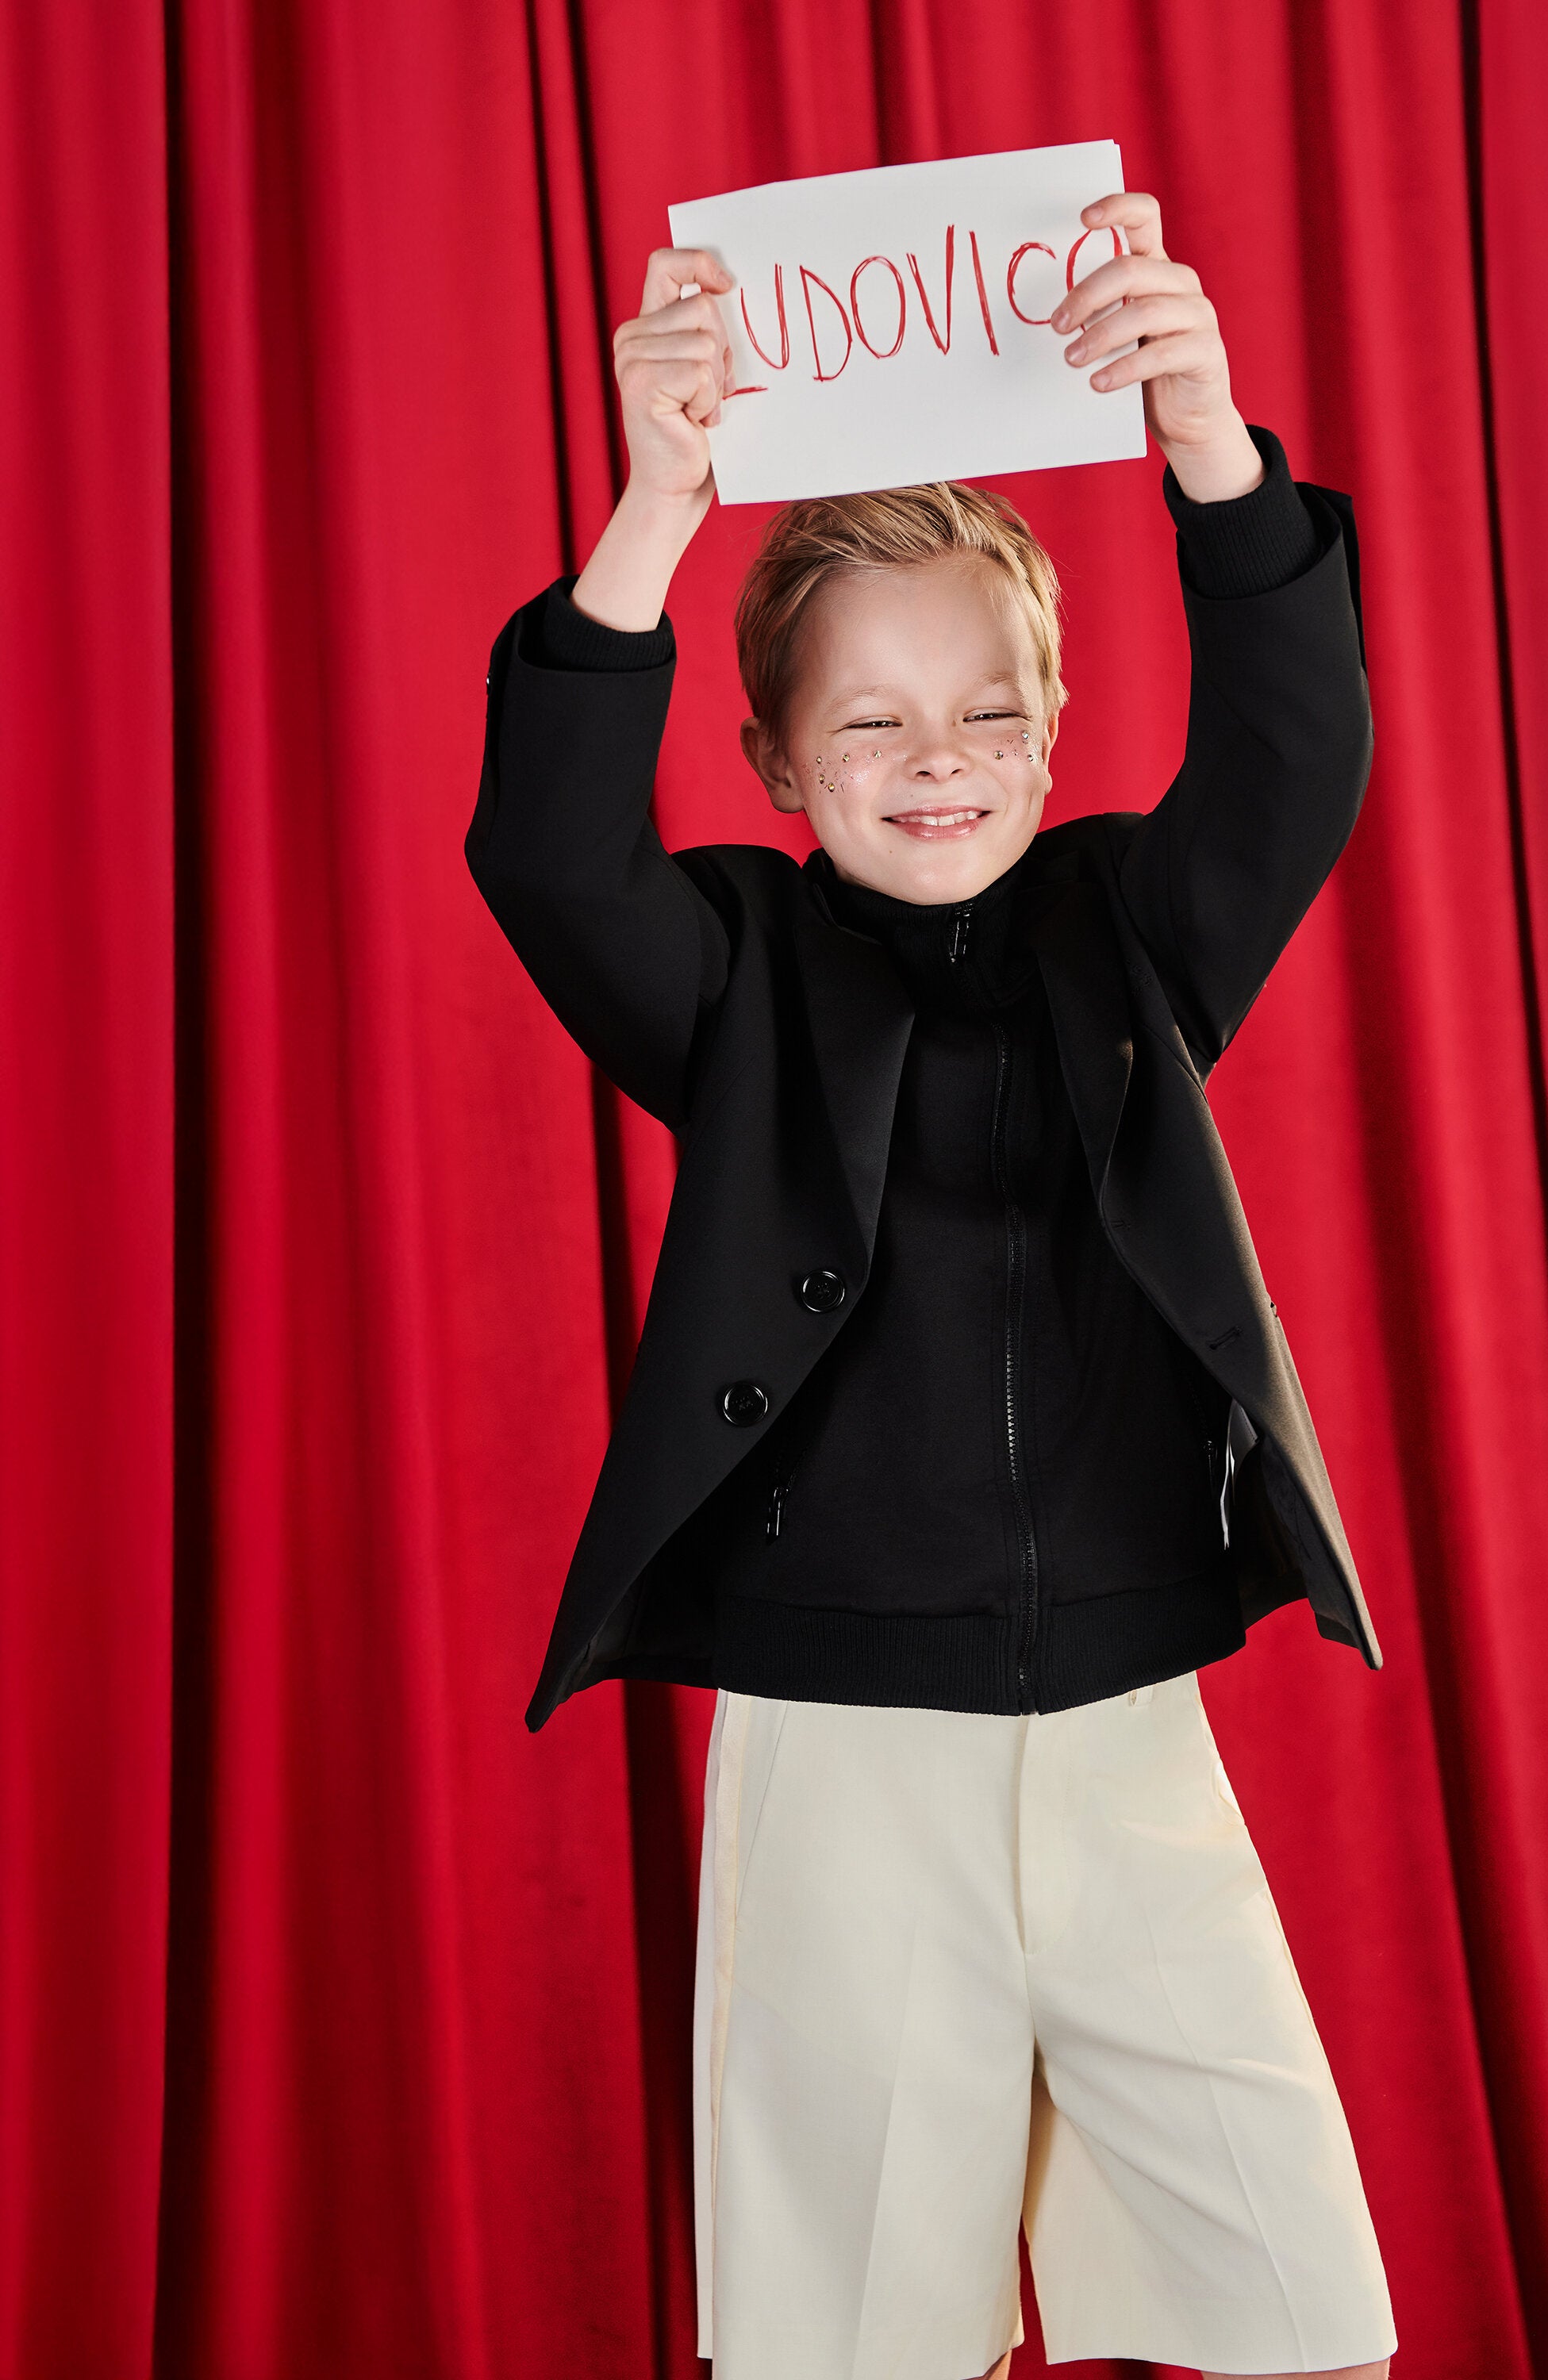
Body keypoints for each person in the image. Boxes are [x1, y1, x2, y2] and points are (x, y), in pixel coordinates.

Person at [466, 188, 1397, 2380]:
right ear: (778, 769)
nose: (941, 757)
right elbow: (544, 852)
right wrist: (656, 513)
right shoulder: (735, 981)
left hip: (1127, 1714)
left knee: (1302, 2304)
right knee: (859, 2334)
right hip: (840, 1730)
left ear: (1055, 732)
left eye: (986, 710)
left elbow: (1298, 762)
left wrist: (1207, 447)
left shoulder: (1133, 938)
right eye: (871, 728)